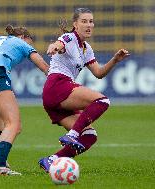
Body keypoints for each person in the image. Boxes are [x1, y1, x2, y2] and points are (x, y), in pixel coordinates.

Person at [38, 8, 130, 172]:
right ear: (75, 24)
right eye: (84, 21)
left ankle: (51, 160)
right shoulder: (70, 38)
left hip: (55, 97)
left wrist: (115, 60)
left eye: (91, 21)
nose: (89, 25)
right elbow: (60, 43)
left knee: (89, 137)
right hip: (57, 85)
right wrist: (54, 46)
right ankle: (72, 135)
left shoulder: (86, 48)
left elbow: (99, 73)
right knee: (102, 101)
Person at [0, 25, 49, 175]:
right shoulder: (20, 42)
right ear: (23, 38)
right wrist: (56, 79)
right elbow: (42, 64)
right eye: (29, 43)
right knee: (14, 124)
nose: (29, 47)